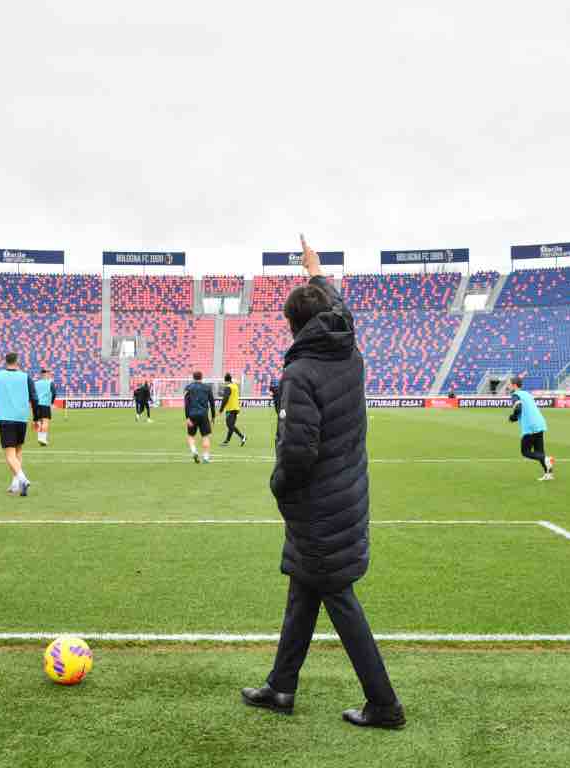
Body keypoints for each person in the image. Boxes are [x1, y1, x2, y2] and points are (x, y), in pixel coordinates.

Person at [241, 235, 404, 730]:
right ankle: (282, 686)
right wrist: (314, 269)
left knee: (338, 598)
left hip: (319, 507)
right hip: (347, 496)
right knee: (304, 591)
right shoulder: (346, 348)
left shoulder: (302, 372)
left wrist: (278, 487)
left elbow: (297, 451)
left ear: (292, 326)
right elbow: (335, 307)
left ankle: (385, 704)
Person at [0, 353, 37, 496]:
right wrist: (36, 419)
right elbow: (34, 399)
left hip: (6, 418)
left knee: (9, 454)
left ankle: (23, 479)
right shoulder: (26, 377)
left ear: (5, 361)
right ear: (17, 361)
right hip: (21, 418)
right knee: (18, 450)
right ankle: (15, 484)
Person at [508, 375, 554, 481]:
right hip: (539, 423)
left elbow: (518, 408)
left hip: (530, 426)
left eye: (510, 384)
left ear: (514, 385)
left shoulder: (516, 395)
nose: (509, 386)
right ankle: (549, 474)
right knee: (539, 451)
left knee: (525, 452)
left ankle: (546, 459)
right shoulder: (526, 394)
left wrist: (513, 417)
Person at [184, 371, 216, 463]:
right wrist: (213, 416)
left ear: (193, 378)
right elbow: (212, 403)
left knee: (190, 436)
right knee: (205, 436)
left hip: (192, 415)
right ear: (202, 377)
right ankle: (206, 458)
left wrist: (187, 418)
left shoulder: (188, 388)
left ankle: (194, 451)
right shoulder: (207, 388)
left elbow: (186, 404)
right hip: (203, 415)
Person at [220, 372, 247, 446]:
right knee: (231, 425)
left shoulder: (228, 387)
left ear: (226, 381)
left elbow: (225, 398)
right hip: (236, 408)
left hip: (230, 408)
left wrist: (221, 409)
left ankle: (242, 436)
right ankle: (226, 441)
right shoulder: (235, 386)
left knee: (230, 425)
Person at [34, 369, 56, 446]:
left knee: (39, 421)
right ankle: (43, 439)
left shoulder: (36, 383)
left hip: (36, 405)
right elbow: (54, 393)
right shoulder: (50, 383)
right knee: (45, 421)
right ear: (46, 374)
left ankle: (40, 438)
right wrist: (52, 403)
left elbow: (32, 393)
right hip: (45, 404)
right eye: (49, 373)